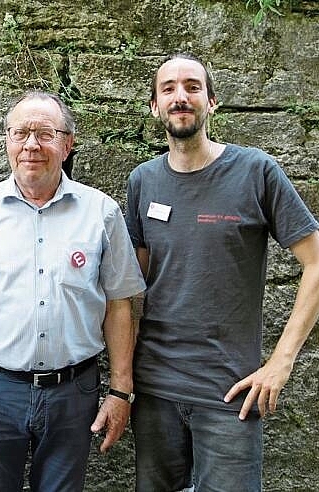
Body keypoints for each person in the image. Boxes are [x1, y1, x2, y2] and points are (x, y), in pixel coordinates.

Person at [0, 90, 146, 492]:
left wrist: (121, 390)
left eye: (45, 134)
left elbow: (120, 303)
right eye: (21, 133)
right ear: (8, 142)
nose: (31, 144)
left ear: (67, 145)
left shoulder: (102, 213)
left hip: (73, 392)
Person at [125, 52, 319, 492]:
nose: (180, 97)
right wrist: (124, 379)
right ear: (155, 106)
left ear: (212, 101)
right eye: (169, 88)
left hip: (230, 393)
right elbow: (133, 290)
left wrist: (281, 363)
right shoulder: (142, 181)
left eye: (192, 87)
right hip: (155, 390)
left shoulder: (256, 172)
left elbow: (316, 262)